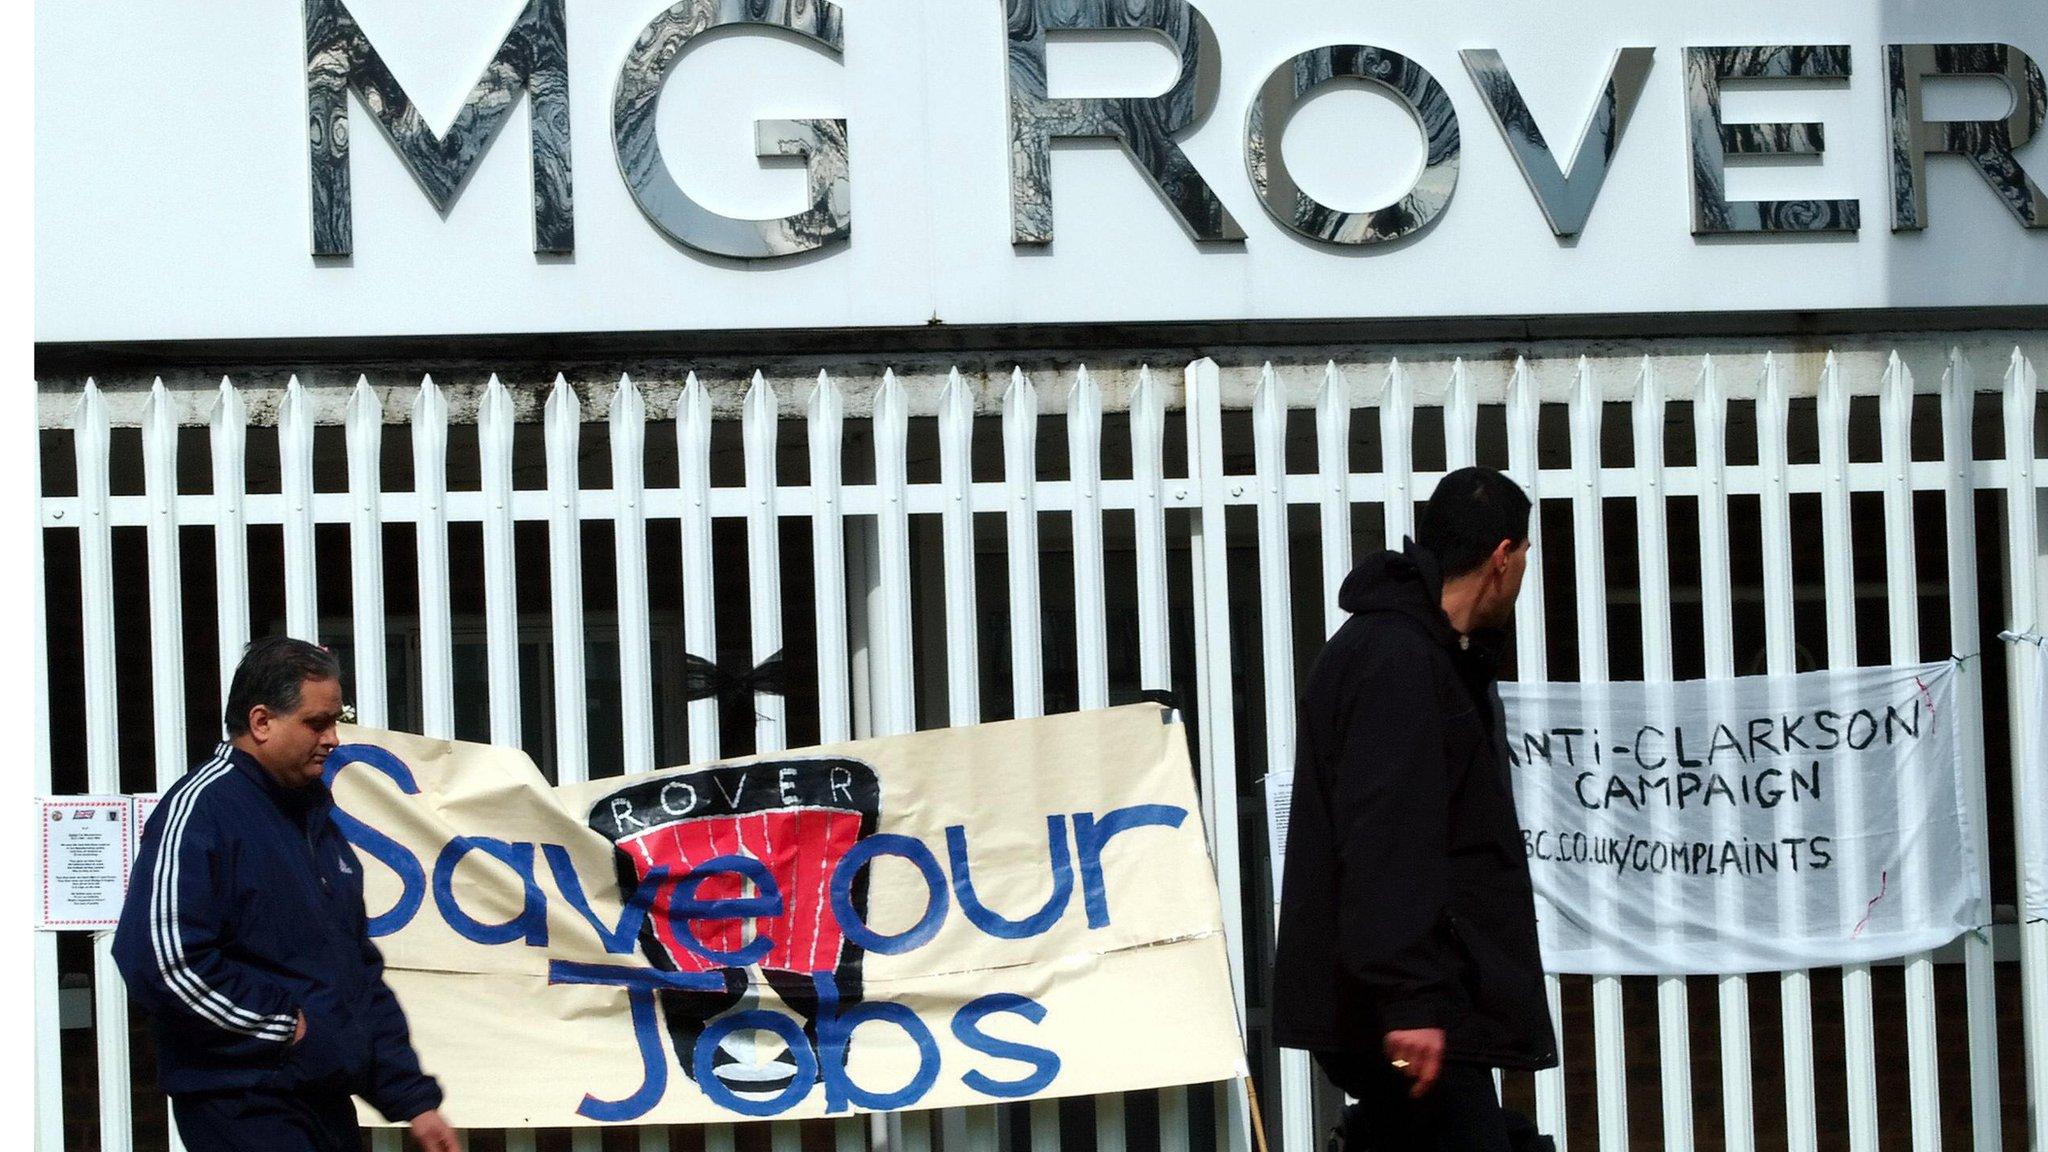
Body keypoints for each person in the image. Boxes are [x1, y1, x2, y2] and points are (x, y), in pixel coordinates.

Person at [1272, 467, 1557, 1152]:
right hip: (1401, 1009)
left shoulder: (1432, 656)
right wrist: (1411, 1001)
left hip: (1417, 999)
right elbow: (1387, 840)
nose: (1520, 578)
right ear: (1502, 558)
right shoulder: (1399, 661)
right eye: (1523, 560)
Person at [113, 636, 460, 1152]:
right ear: (261, 723)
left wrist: (413, 1100)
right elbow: (162, 962)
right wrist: (285, 1028)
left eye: (335, 721)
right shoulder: (201, 811)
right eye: (316, 723)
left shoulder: (313, 820)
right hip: (241, 1101)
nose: (333, 739)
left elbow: (355, 973)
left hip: (321, 1098)